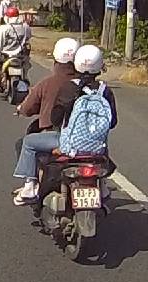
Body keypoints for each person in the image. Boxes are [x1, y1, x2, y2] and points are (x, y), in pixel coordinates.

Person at [11, 44, 117, 205]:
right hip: (97, 148)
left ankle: (29, 186)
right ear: (100, 66)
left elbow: (56, 119)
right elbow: (112, 122)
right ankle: (102, 186)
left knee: (28, 142)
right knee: (103, 144)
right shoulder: (105, 90)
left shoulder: (69, 87)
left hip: (68, 143)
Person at [17, 37, 79, 133]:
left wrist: (21, 108)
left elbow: (28, 109)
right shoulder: (89, 85)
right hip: (80, 135)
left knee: (29, 140)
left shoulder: (46, 84)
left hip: (52, 133)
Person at [0, 6, 31, 86]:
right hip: (20, 55)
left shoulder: (3, 28)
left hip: (5, 55)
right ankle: (25, 77)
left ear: (7, 17)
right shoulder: (26, 27)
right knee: (26, 63)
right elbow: (28, 37)